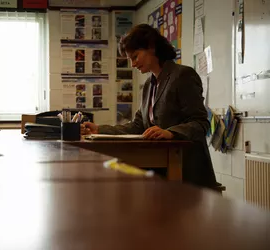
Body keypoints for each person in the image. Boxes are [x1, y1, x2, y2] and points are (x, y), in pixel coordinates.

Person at [81, 24, 217, 189]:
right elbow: (138, 126)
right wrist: (99, 130)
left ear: (151, 47)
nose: (132, 64)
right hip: (162, 172)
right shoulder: (148, 85)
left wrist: (170, 133)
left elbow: (200, 123)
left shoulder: (183, 75)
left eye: (135, 56)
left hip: (188, 171)